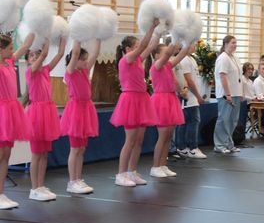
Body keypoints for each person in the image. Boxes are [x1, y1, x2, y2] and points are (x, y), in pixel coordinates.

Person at [110, 19, 159, 187]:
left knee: (138, 140)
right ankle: (121, 174)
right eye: (137, 46)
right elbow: (145, 45)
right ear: (128, 49)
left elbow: (151, 46)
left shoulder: (137, 59)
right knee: (130, 140)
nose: (140, 48)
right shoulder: (127, 59)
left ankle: (132, 171)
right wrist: (151, 26)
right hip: (130, 100)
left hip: (141, 99)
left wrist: (159, 31)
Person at [25, 38, 67, 201]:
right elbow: (44, 55)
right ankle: (34, 188)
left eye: (36, 54)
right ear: (28, 60)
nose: (35, 57)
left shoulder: (46, 70)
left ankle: (40, 185)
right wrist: (47, 36)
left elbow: (60, 54)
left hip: (48, 112)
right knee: (36, 153)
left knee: (44, 153)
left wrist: (63, 37)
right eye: (31, 55)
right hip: (37, 113)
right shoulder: (30, 71)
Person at [61, 40, 101, 194]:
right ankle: (72, 181)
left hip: (86, 109)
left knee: (82, 149)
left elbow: (95, 55)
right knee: (75, 149)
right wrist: (77, 37)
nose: (86, 61)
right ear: (75, 60)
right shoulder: (70, 72)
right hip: (76, 111)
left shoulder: (84, 71)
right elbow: (75, 53)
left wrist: (98, 38)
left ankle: (78, 179)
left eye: (85, 59)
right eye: (83, 59)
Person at [0, 33, 34, 210]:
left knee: (6, 155)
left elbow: (25, 45)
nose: (13, 50)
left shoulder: (9, 61)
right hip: (2, 111)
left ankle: (1, 193)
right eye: (10, 48)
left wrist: (35, 27)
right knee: (1, 154)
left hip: (12, 110)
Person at [149, 43, 189, 178]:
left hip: (171, 99)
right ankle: (155, 166)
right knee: (162, 135)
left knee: (168, 136)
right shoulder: (157, 66)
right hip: (161, 100)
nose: (169, 54)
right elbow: (168, 55)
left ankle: (162, 164)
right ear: (157, 55)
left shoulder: (168, 66)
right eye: (165, 52)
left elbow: (181, 55)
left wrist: (188, 42)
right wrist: (174, 41)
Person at [174, 43, 207, 159]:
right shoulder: (184, 60)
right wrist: (198, 96)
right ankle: (191, 148)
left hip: (192, 96)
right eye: (192, 44)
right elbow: (189, 80)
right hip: (188, 96)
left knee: (189, 121)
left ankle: (184, 147)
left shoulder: (191, 59)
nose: (194, 46)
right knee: (192, 121)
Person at [213, 35, 243, 154]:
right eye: (233, 43)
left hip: (236, 93)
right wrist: (228, 94)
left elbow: (239, 77)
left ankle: (228, 143)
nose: (235, 45)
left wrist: (240, 92)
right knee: (224, 119)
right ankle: (219, 145)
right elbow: (223, 76)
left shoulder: (235, 57)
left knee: (233, 120)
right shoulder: (223, 58)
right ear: (225, 44)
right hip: (226, 94)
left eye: (236, 43)